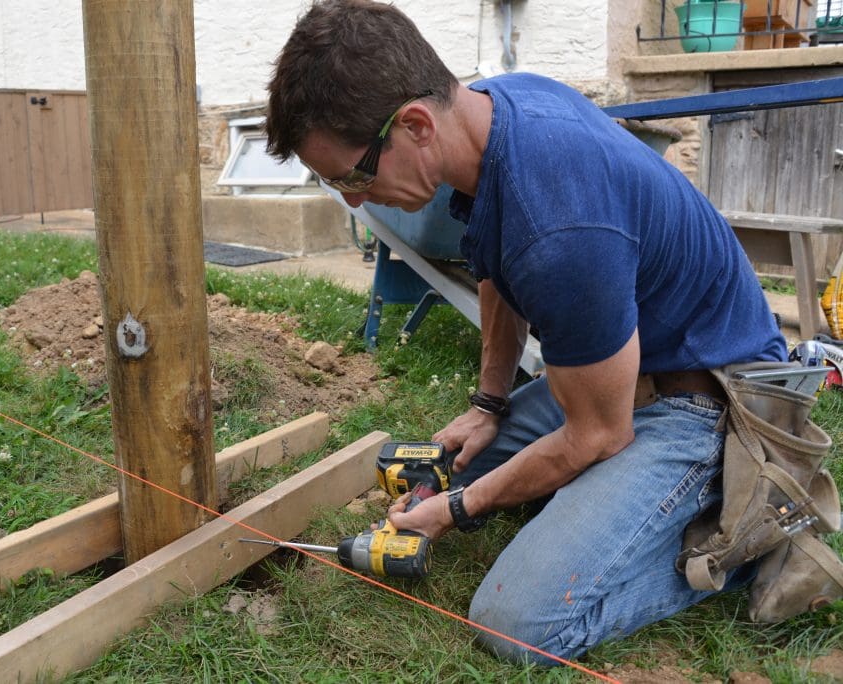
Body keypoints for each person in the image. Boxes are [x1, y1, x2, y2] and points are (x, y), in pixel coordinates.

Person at [265, 0, 787, 666]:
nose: (358, 202)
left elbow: (600, 433)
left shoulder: (559, 228)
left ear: (416, 124)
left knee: (515, 621)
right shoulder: (491, 113)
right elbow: (494, 261)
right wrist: (489, 403)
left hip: (709, 400)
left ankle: (734, 546)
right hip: (632, 368)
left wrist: (456, 511)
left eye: (356, 177)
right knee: (462, 467)